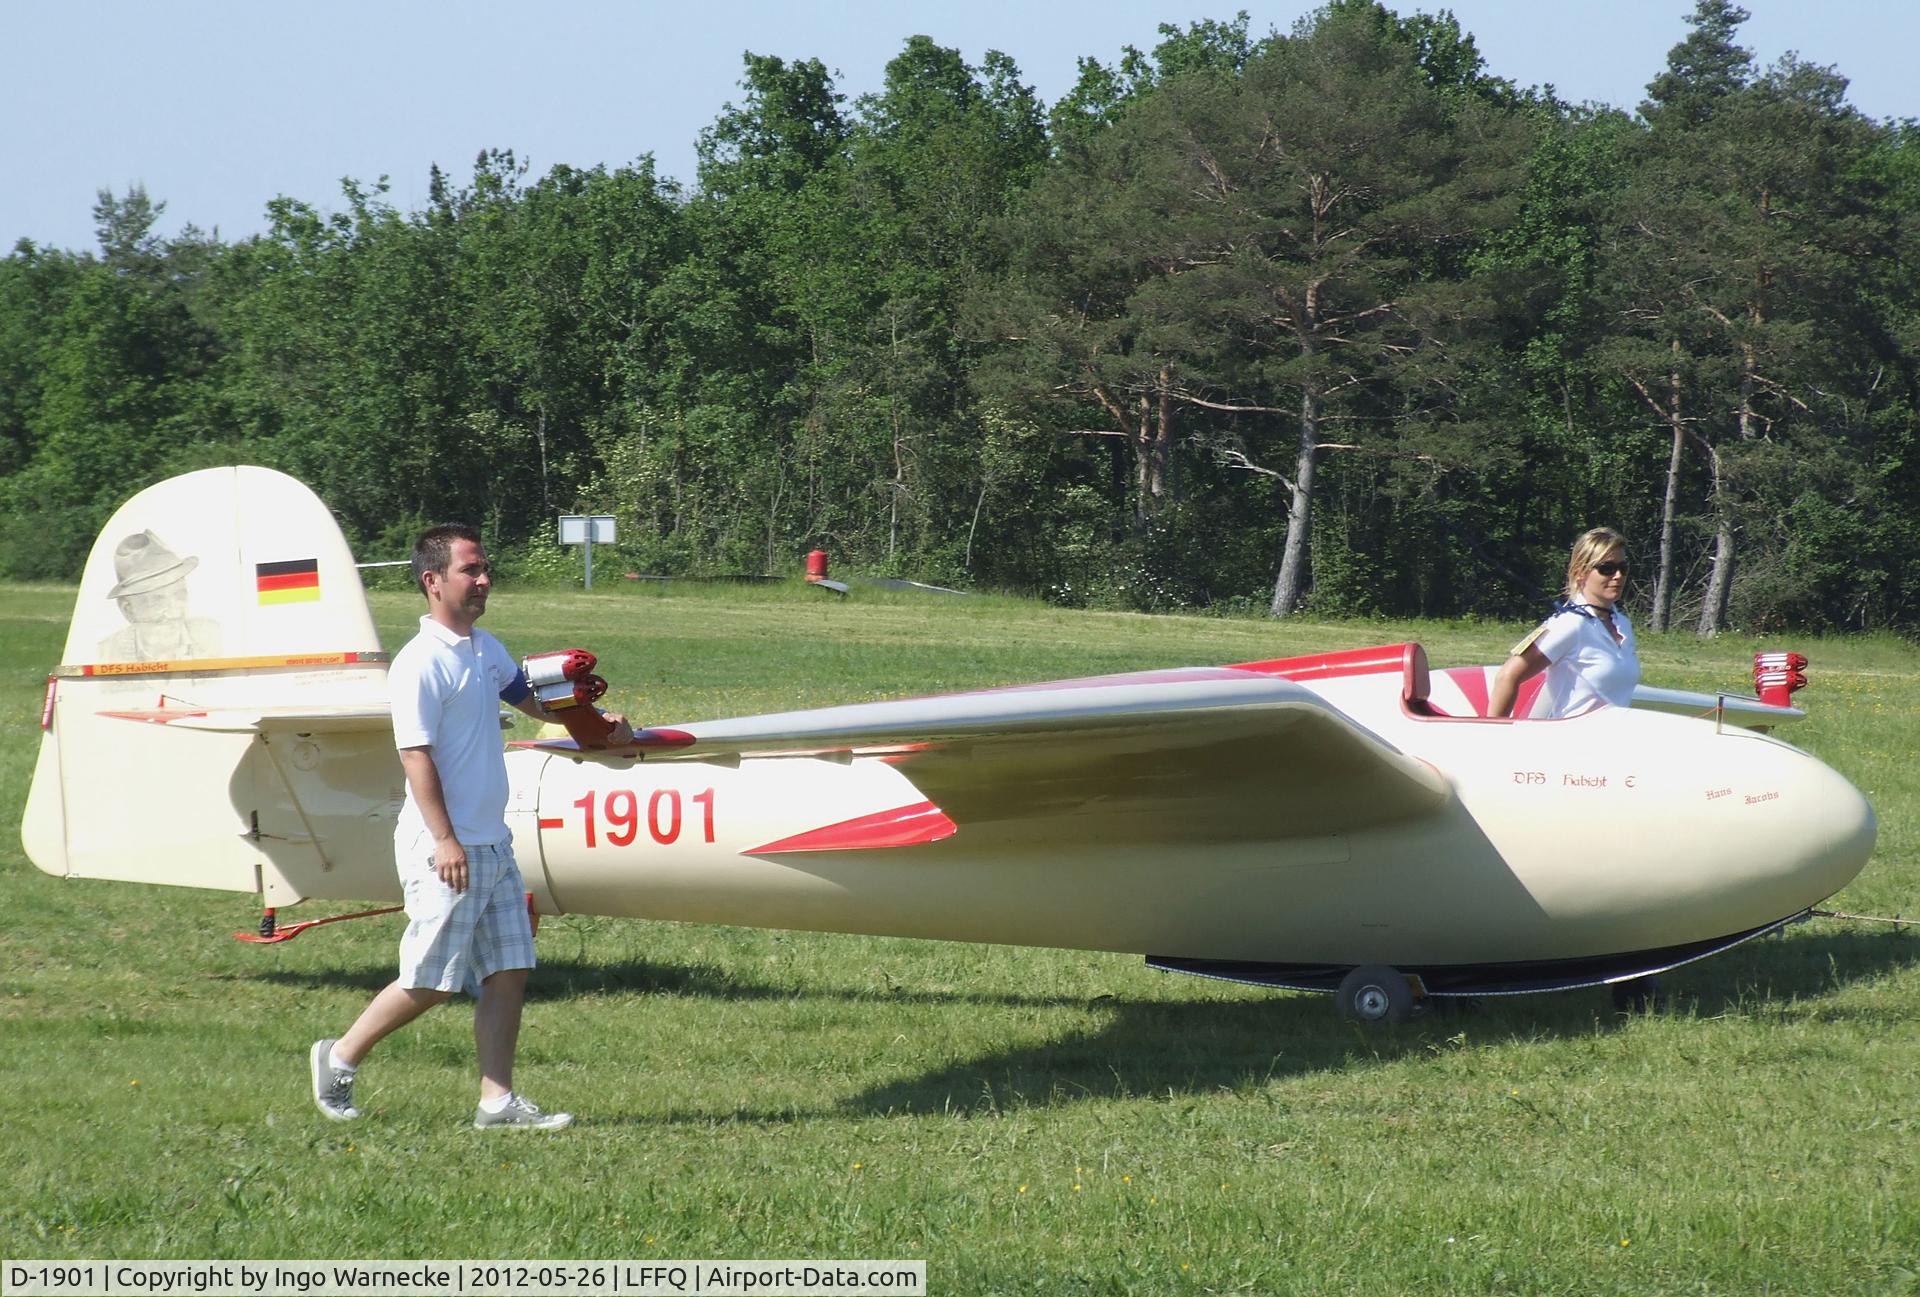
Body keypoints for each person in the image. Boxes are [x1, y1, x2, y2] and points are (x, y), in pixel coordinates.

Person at [310, 524, 630, 1129]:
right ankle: (340, 1056)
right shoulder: (419, 665)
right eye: (470, 571)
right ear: (432, 582)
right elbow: (415, 756)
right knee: (431, 981)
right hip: (445, 847)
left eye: (486, 570)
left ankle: (497, 1102)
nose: (484, 581)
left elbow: (532, 702)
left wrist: (594, 722)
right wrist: (445, 840)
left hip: (493, 841)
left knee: (509, 970)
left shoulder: (486, 649)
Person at [1490, 528, 1640, 719]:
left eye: (1623, 568)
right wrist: (1496, 736)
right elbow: (1507, 676)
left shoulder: (1623, 625)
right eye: (1607, 569)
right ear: (1580, 573)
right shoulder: (1570, 624)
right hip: (1571, 744)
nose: (1618, 576)